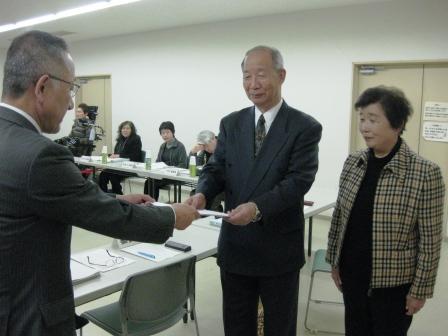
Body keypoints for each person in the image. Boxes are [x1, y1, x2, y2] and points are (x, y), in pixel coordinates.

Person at [0, 30, 199, 336]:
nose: (70, 106)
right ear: (41, 86)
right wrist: (172, 215)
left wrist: (116, 200)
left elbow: (45, 200)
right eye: (70, 91)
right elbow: (107, 218)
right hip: (29, 316)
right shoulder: (40, 155)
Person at [186, 45, 322, 336]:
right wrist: (203, 193)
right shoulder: (231, 123)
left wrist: (257, 208)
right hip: (236, 245)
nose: (253, 84)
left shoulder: (304, 127)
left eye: (261, 75)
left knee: (279, 327)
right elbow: (216, 169)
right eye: (246, 76)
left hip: (278, 247)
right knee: (236, 325)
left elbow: (298, 181)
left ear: (281, 75)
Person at [326, 86, 445, 336]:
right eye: (362, 119)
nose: (365, 127)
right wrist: (334, 262)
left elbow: (431, 241)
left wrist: (419, 290)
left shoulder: (425, 173)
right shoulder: (354, 162)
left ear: (398, 123)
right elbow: (339, 218)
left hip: (394, 285)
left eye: (373, 119)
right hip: (353, 276)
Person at [144, 121, 188, 200]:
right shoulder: (163, 146)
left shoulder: (180, 146)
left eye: (167, 132)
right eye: (162, 133)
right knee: (149, 181)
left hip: (174, 176)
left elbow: (183, 165)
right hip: (163, 174)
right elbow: (158, 161)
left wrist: (170, 169)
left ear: (173, 132)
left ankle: (152, 205)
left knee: (152, 182)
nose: (165, 135)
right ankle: (146, 204)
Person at [98, 121, 142, 194]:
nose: (125, 130)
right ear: (120, 130)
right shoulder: (120, 140)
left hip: (131, 168)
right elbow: (116, 154)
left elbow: (135, 156)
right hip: (119, 167)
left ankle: (118, 195)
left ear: (132, 130)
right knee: (103, 174)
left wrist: (118, 156)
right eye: (123, 128)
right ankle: (103, 195)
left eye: (128, 128)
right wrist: (109, 155)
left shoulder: (136, 139)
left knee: (112, 175)